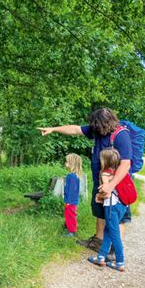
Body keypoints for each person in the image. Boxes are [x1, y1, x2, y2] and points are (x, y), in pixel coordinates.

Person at [38, 107, 132, 253]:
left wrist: (111, 185)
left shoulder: (121, 135)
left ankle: (114, 250)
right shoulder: (97, 129)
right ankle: (98, 242)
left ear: (105, 123)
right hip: (100, 182)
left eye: (96, 126)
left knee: (118, 217)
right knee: (100, 212)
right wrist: (53, 129)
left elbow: (126, 164)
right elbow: (75, 129)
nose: (94, 129)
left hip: (117, 186)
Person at [88, 148, 127, 271]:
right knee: (108, 231)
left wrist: (98, 197)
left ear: (104, 160)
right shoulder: (119, 172)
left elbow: (107, 192)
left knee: (114, 234)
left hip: (111, 206)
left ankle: (120, 262)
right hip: (122, 205)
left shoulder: (105, 173)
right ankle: (101, 257)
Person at [63, 153, 82, 236]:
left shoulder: (73, 176)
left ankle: (72, 231)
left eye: (67, 162)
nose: (65, 163)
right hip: (70, 200)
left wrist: (69, 202)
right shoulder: (71, 175)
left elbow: (72, 190)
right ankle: (68, 226)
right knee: (69, 214)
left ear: (72, 164)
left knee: (70, 215)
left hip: (71, 200)